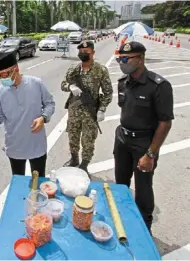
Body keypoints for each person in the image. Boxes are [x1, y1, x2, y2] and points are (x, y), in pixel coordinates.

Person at [114, 41, 173, 234]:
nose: (122, 62)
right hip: (123, 140)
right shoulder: (123, 82)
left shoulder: (159, 86)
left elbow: (165, 123)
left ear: (140, 59)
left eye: (126, 59)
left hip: (144, 144)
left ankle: (143, 230)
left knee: (143, 190)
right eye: (119, 59)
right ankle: (121, 219)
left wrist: (150, 153)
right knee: (121, 184)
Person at [0, 50, 55, 177]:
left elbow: (50, 104)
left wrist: (43, 118)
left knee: (39, 182)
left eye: (6, 74)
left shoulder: (36, 84)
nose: (3, 78)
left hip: (36, 145)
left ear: (16, 69)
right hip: (14, 147)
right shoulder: (0, 93)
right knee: (18, 183)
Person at [61, 40, 113, 175]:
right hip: (74, 109)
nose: (83, 54)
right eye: (81, 52)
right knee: (73, 136)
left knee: (88, 139)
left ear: (93, 52)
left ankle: (84, 164)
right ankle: (74, 159)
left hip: (90, 112)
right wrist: (70, 87)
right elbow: (63, 84)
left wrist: (102, 109)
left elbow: (108, 92)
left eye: (86, 52)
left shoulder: (100, 70)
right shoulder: (73, 68)